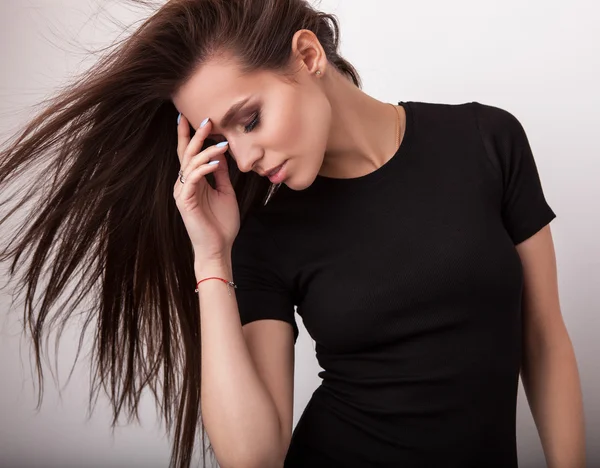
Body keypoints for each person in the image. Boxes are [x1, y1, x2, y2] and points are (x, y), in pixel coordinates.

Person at [0, 0, 586, 467]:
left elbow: (542, 337)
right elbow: (254, 454)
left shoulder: (486, 140)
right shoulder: (265, 236)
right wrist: (212, 254)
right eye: (226, 143)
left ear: (306, 55)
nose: (247, 156)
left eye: (250, 119)